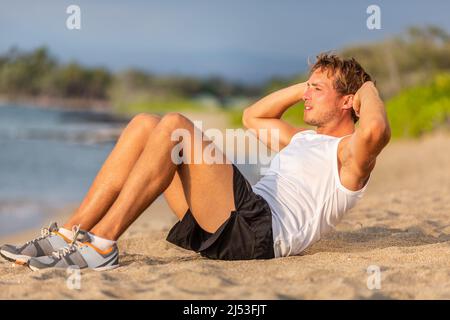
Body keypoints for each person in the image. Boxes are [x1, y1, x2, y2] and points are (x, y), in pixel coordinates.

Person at [0, 53, 391, 270]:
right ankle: (71, 233)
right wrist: (309, 83)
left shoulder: (349, 154)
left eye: (317, 90)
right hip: (235, 220)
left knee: (175, 126)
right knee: (143, 125)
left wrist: (367, 88)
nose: (306, 96)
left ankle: (102, 244)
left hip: (258, 233)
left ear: (347, 102)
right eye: (308, 87)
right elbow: (253, 117)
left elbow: (375, 131)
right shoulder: (305, 139)